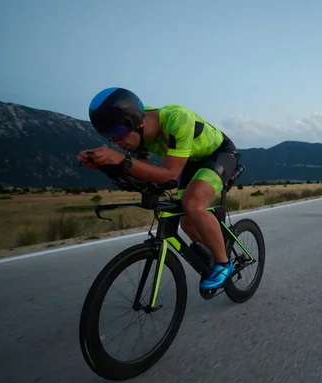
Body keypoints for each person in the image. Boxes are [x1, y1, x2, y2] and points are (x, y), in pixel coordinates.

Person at [77, 87, 239, 290]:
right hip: (190, 160)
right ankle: (216, 250)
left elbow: (169, 174)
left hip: (219, 153)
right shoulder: (136, 136)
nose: (117, 142)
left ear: (137, 121)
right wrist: (106, 165)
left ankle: (224, 263)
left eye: (118, 133)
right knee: (186, 222)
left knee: (193, 203)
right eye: (109, 136)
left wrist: (120, 159)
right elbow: (141, 172)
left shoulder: (177, 119)